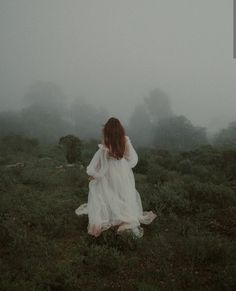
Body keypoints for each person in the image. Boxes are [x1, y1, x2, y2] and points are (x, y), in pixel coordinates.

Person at [75, 117, 157, 238]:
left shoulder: (105, 143)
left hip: (107, 173)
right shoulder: (124, 141)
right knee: (122, 194)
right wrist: (124, 165)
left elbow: (94, 164)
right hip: (122, 172)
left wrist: (96, 175)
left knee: (106, 194)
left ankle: (108, 217)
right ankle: (125, 219)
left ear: (107, 130)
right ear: (120, 130)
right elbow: (134, 160)